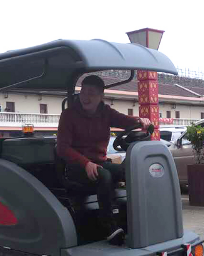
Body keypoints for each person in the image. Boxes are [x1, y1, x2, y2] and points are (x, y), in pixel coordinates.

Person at [57, 75, 151, 245]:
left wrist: (140, 121)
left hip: (99, 163)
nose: (85, 97)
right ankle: (109, 227)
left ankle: (139, 216)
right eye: (83, 92)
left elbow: (125, 120)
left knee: (129, 170)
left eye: (91, 93)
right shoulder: (68, 115)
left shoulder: (105, 112)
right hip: (76, 167)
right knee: (105, 176)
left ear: (101, 96)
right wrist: (85, 163)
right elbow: (62, 148)